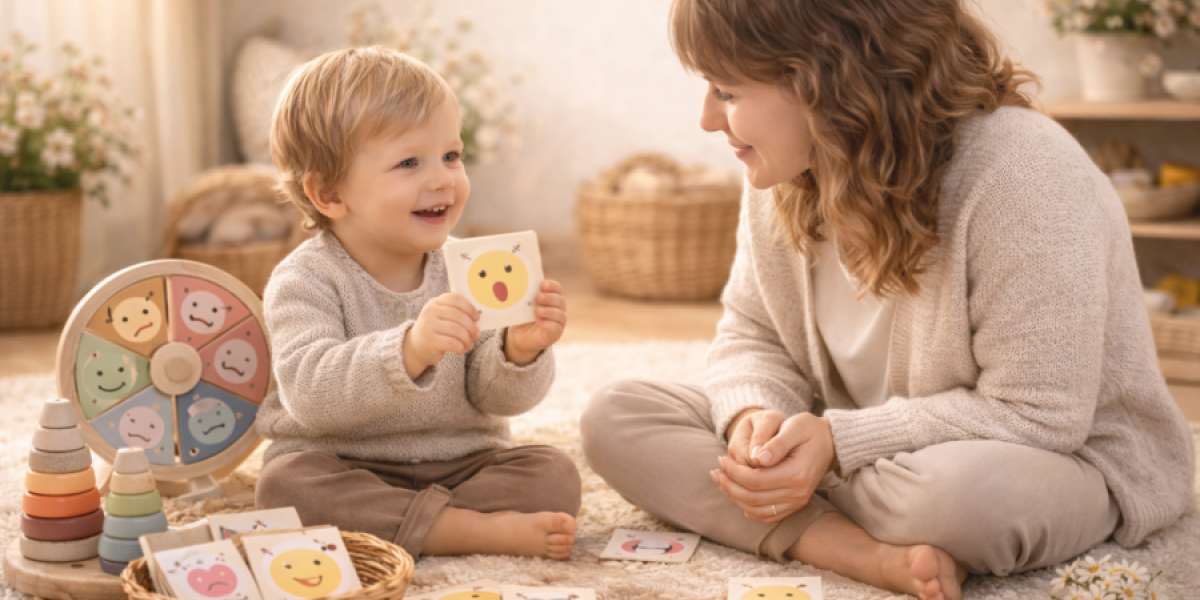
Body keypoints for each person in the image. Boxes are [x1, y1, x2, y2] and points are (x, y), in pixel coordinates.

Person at [580, 1, 1195, 599]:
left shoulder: (1025, 172)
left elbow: (1041, 415)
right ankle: (859, 552)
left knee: (953, 502)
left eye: (729, 92)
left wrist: (834, 447)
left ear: (824, 81)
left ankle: (787, 509)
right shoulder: (782, 171)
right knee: (617, 415)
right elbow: (752, 335)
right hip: (859, 446)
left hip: (1063, 459)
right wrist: (754, 424)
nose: (708, 119)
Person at [254, 46, 580, 561]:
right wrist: (408, 350)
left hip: (462, 462)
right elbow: (309, 394)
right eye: (409, 162)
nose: (442, 179)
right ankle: (463, 531)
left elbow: (499, 400)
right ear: (329, 195)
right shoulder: (304, 279)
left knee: (553, 475)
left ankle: (423, 523)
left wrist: (521, 351)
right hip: (343, 462)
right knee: (285, 488)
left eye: (452, 155)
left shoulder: (471, 267)